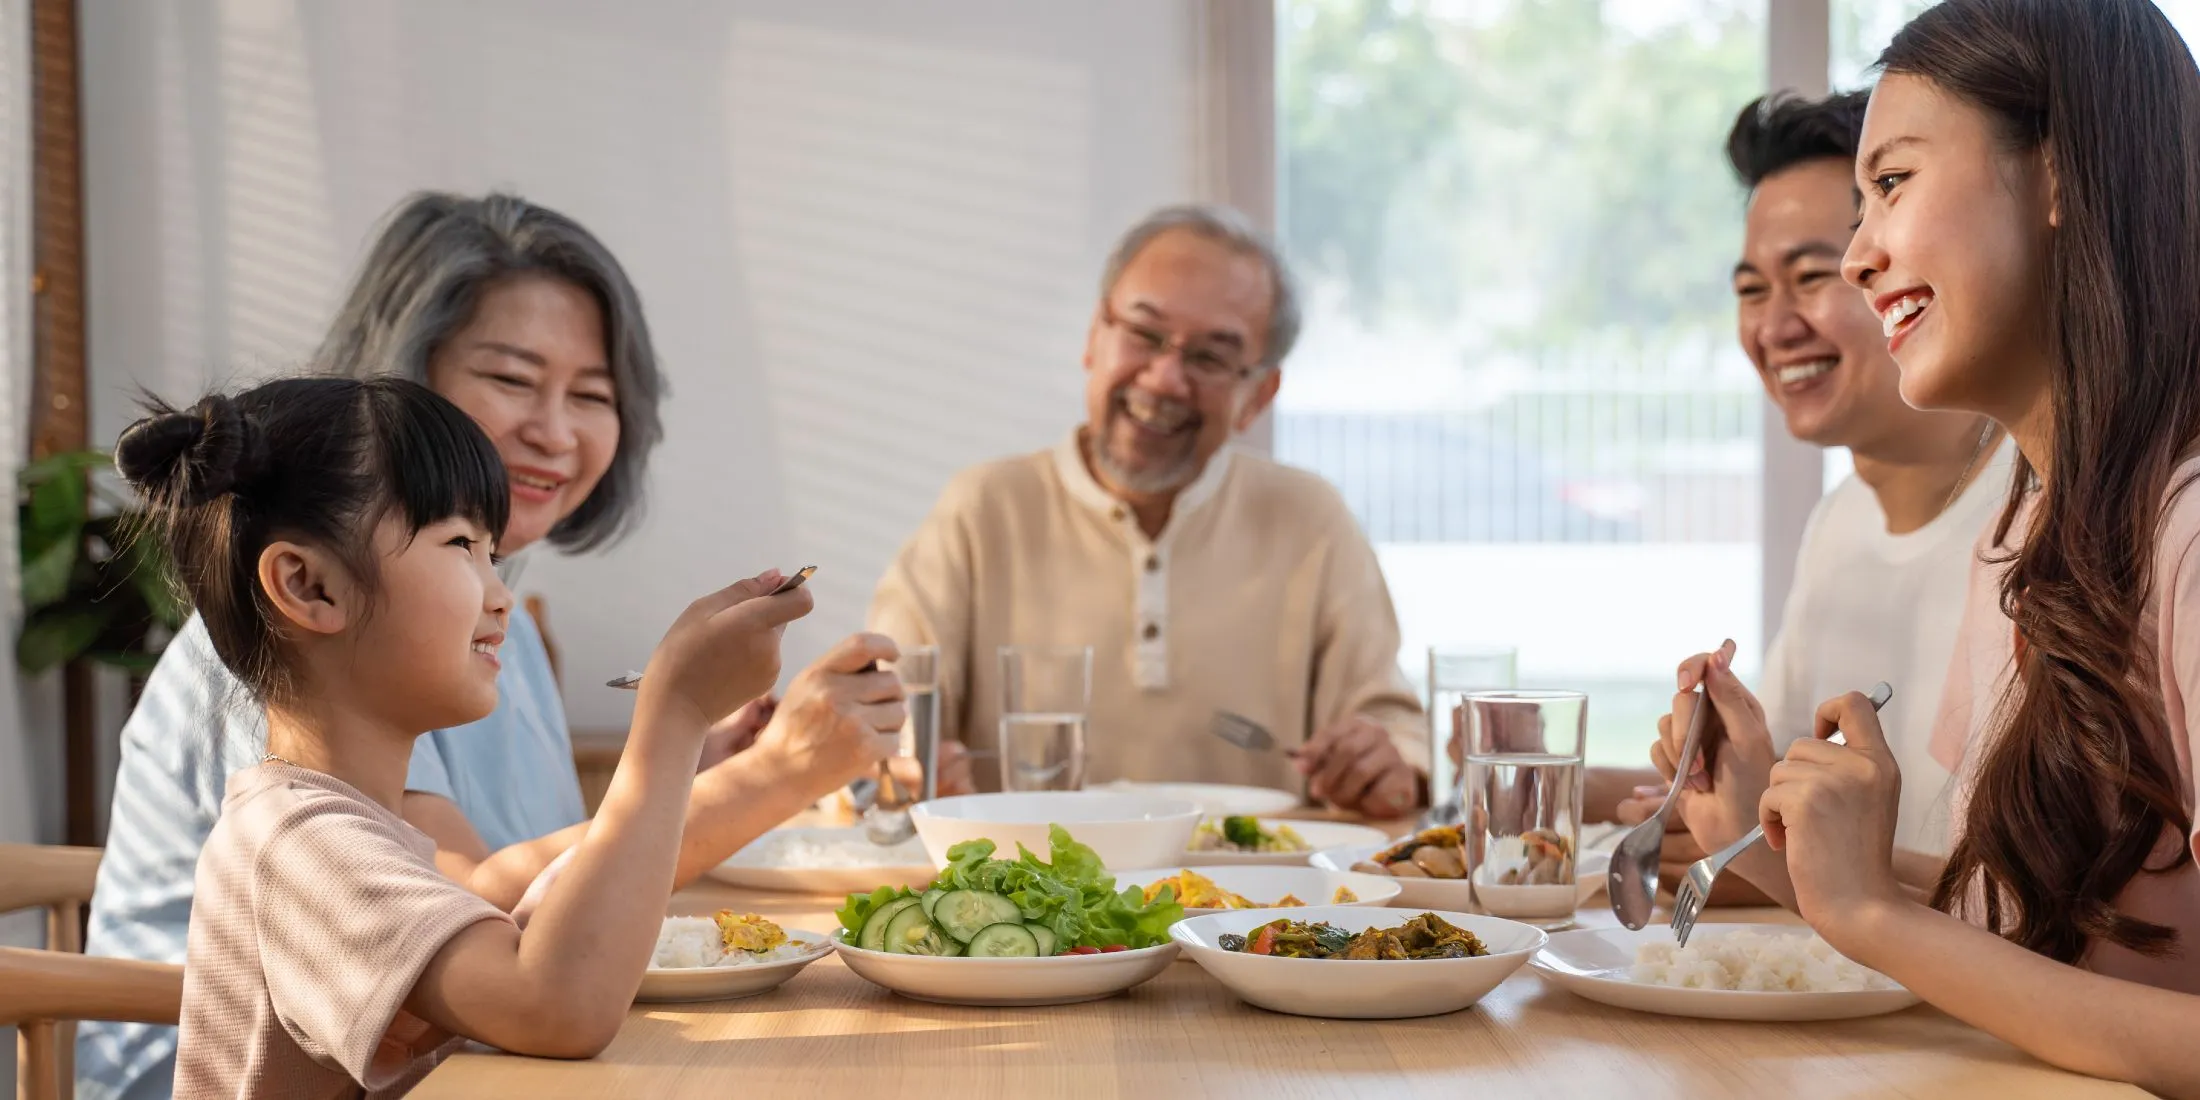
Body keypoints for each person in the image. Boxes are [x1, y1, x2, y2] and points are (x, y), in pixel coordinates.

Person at [79, 192, 916, 1100]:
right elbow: (532, 974)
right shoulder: (297, 819)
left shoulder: (466, 647)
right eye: (513, 381)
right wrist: (678, 734)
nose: (555, 431)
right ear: (309, 585)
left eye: (591, 396)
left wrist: (697, 758)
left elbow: (508, 918)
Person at [1662, 1, 2200, 1091]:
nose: (1860, 257)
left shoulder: (2186, 527)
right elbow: (2026, 924)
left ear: (2058, 174)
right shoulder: (2030, 531)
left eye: (1891, 186)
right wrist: (1779, 846)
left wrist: (1865, 910)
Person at [117, 378, 808, 1097]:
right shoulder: (300, 848)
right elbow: (554, 1006)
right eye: (460, 543)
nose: (499, 594)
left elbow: (526, 959)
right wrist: (676, 713)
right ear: (308, 585)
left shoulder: (354, 826)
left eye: (493, 556)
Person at [869, 205, 1425, 814]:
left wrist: (1384, 763)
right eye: (1144, 334)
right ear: (1092, 339)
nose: (1164, 379)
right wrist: (904, 763)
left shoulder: (1309, 518)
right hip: (1027, 896)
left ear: (1257, 397)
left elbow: (1394, 728)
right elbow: (886, 708)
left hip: (1253, 899)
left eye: (1209, 358)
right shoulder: (984, 508)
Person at [1607, 91, 2015, 899]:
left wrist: (1774, 854)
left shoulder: (2047, 512)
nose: (1774, 325)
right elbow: (1781, 816)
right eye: (1752, 290)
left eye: (1811, 276)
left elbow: (2058, 923)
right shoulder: (1839, 521)